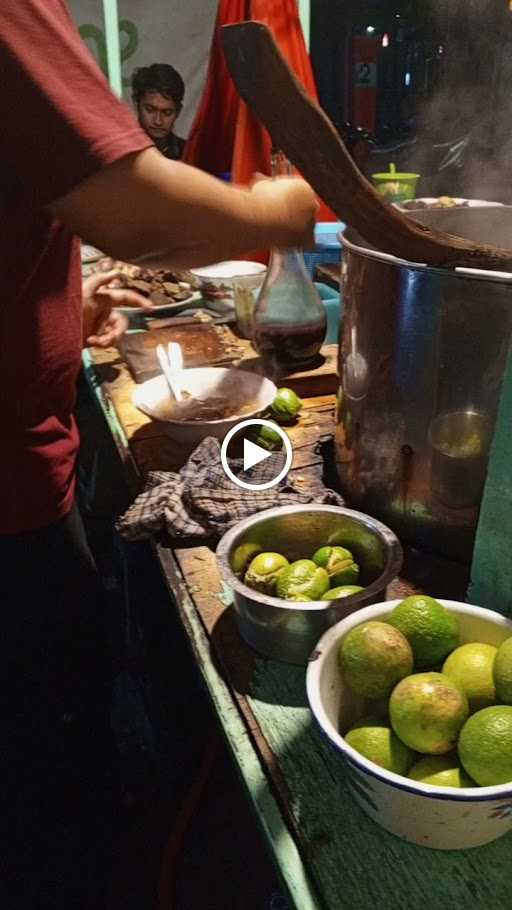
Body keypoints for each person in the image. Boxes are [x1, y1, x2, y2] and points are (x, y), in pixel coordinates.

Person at [0, 2, 317, 906]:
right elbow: (135, 210)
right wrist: (278, 207)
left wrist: (61, 313)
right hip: (9, 502)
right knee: (44, 791)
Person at [132, 62, 186, 160]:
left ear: (178, 112)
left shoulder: (190, 154)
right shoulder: (120, 153)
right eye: (150, 110)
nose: (158, 121)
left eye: (167, 113)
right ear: (137, 105)